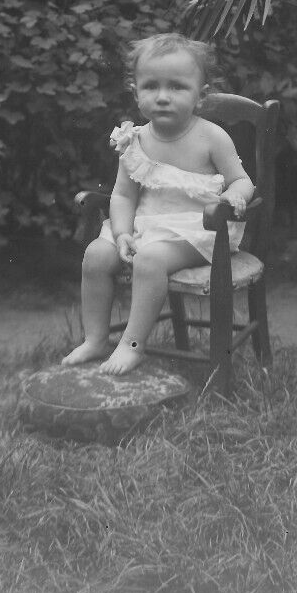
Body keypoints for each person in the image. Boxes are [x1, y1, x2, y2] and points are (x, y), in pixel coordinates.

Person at [63, 33, 254, 376]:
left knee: (150, 260)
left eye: (177, 87)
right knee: (96, 254)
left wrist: (233, 195)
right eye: (151, 86)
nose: (163, 97)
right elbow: (123, 195)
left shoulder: (211, 137)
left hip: (198, 229)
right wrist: (121, 234)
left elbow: (243, 180)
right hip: (147, 226)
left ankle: (132, 345)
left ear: (201, 95)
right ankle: (95, 339)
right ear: (136, 92)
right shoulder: (134, 140)